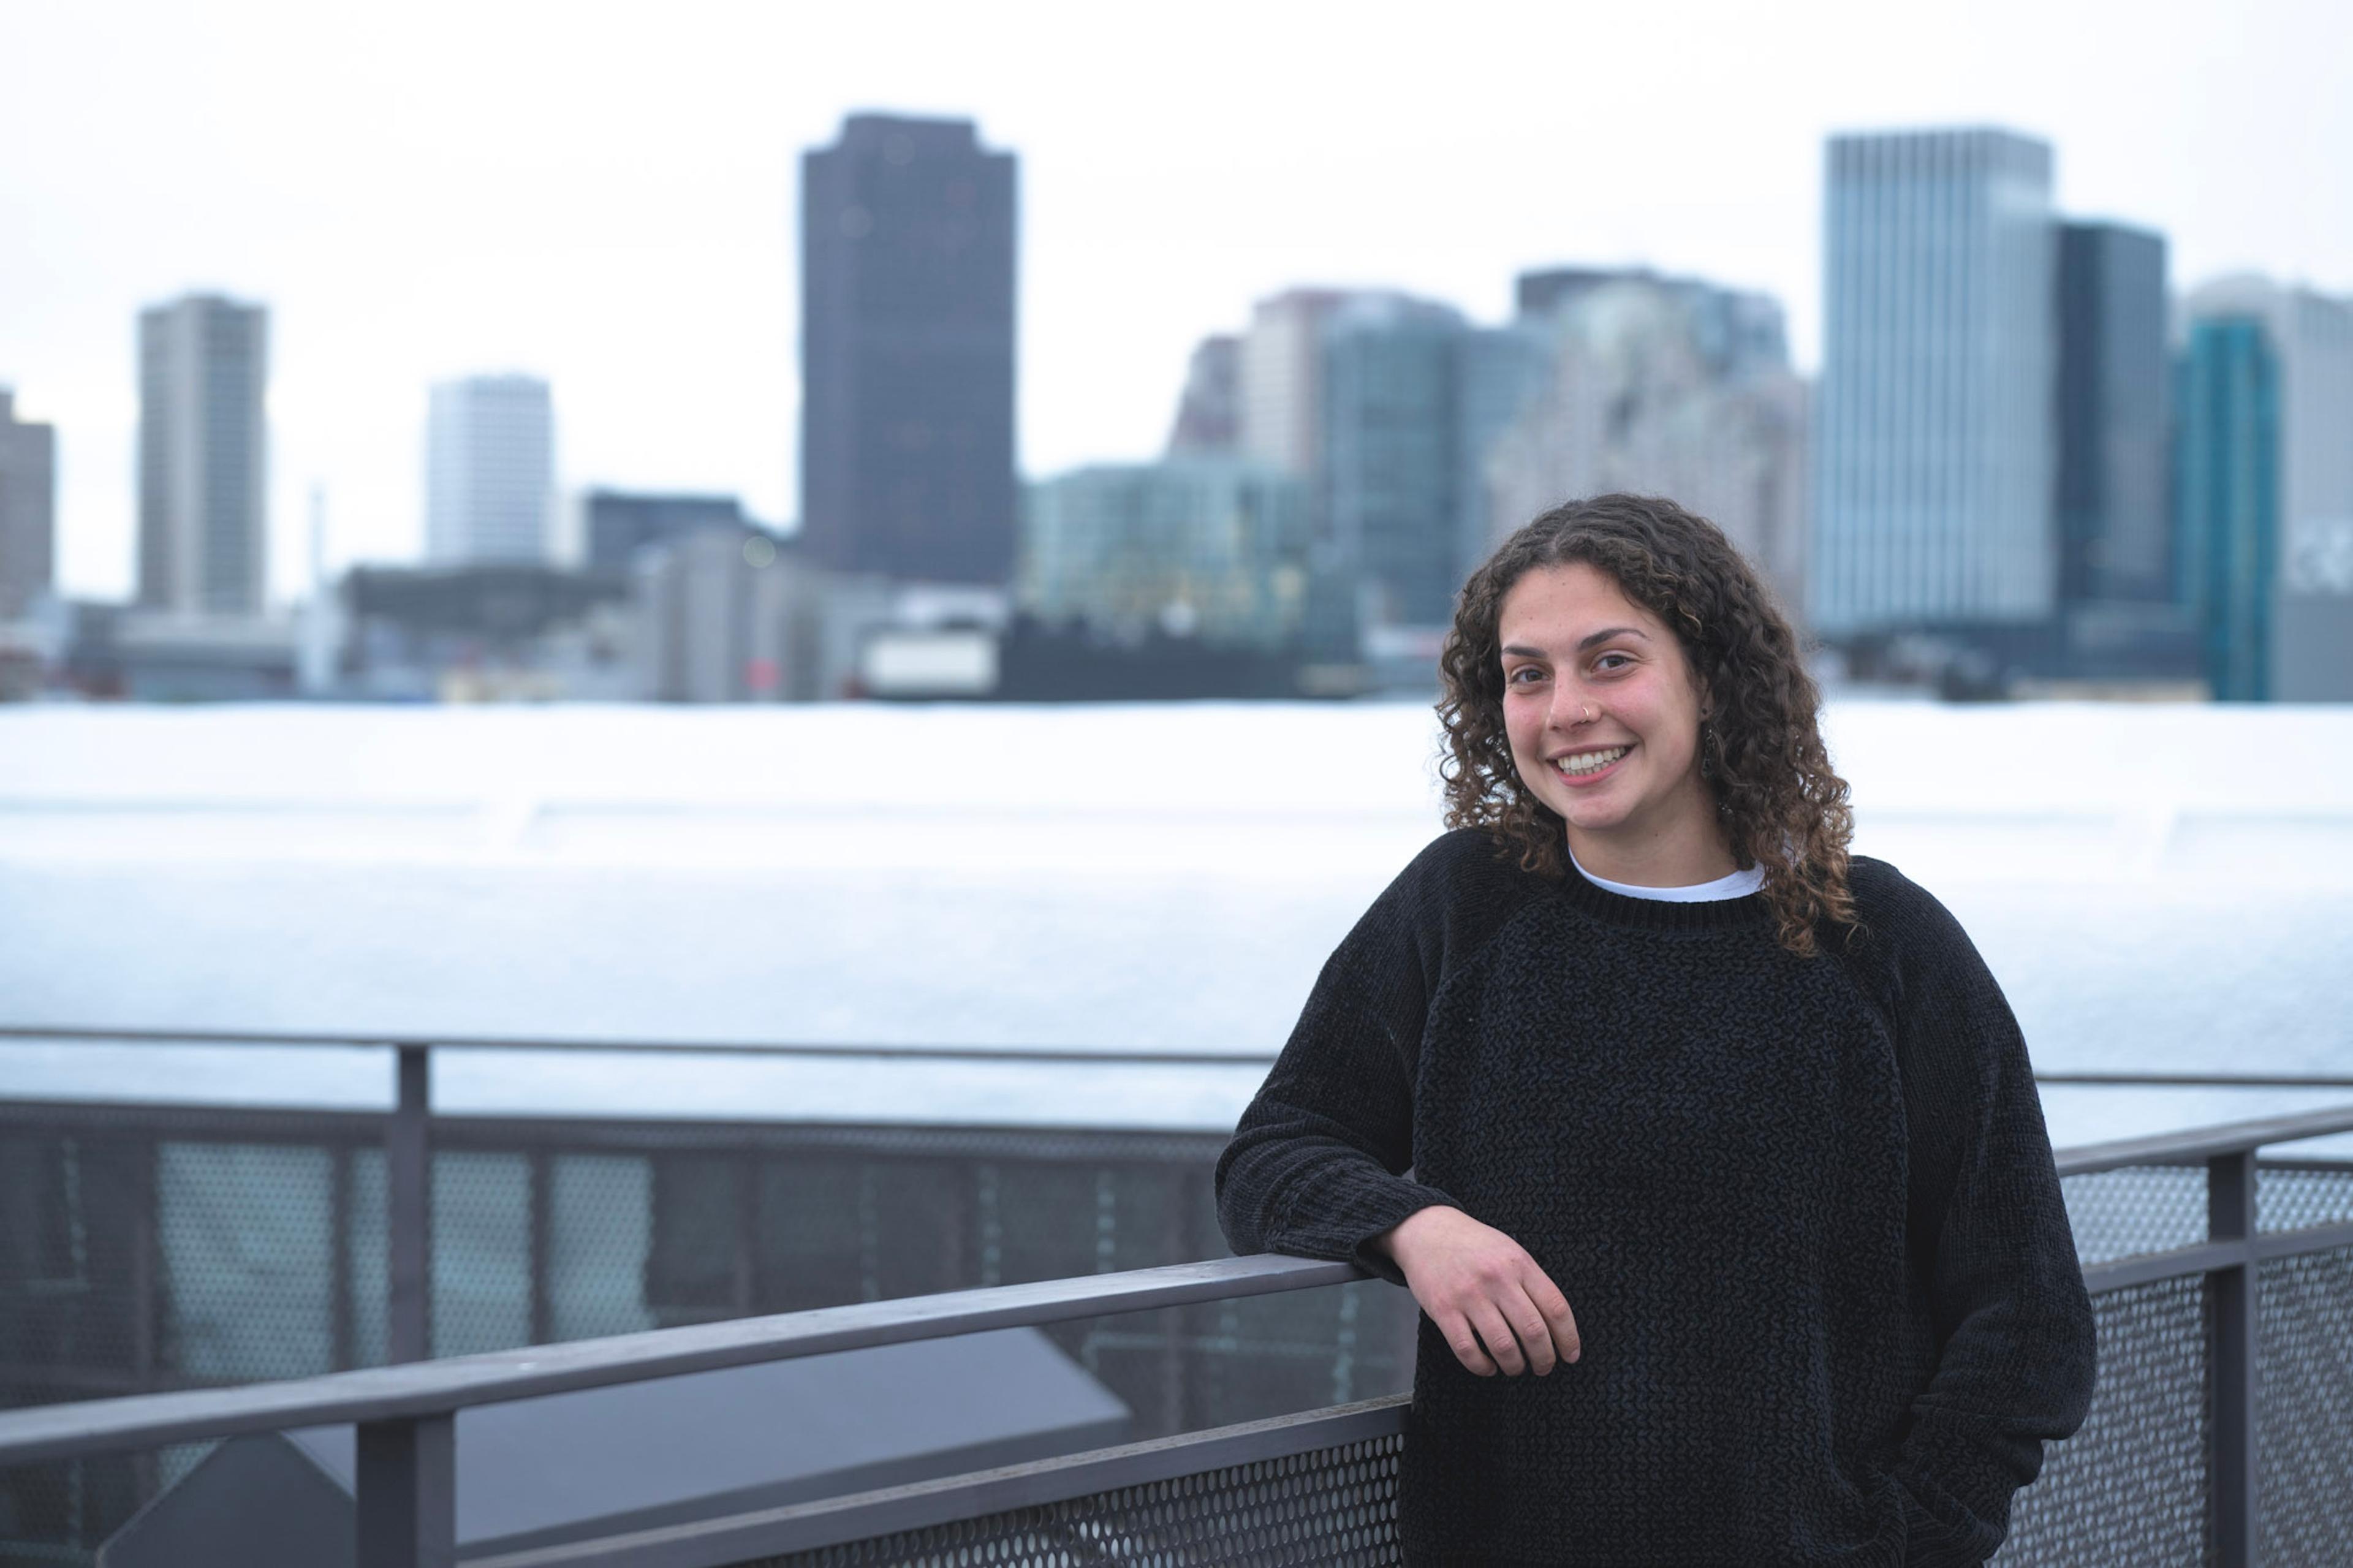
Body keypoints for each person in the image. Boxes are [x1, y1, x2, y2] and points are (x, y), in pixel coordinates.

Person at [1214, 494, 2097, 1567]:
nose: (1566, 709)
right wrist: (1415, 1228)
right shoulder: (1462, 908)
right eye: (1527, 674)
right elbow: (1275, 1151)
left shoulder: (1880, 944)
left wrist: (1905, 1546)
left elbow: (2027, 1315)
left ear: (1713, 678)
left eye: (1610, 661)